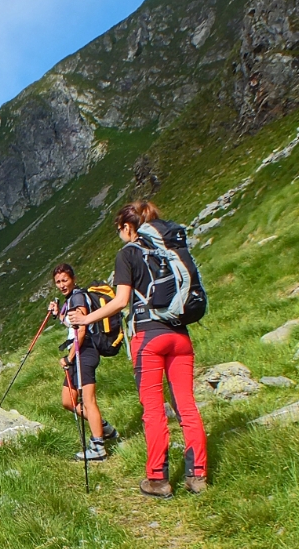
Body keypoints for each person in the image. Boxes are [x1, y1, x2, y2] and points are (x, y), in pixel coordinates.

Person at [68, 201, 208, 498]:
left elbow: (120, 302)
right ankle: (197, 477)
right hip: (180, 336)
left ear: (128, 227)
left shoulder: (128, 254)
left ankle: (158, 479)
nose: (119, 234)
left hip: (149, 339)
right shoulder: (170, 250)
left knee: (154, 410)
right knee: (186, 406)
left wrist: (85, 318)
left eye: (119, 229)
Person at [49, 264, 117, 461]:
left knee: (88, 402)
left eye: (65, 280)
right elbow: (73, 323)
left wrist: (69, 359)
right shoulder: (71, 298)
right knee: (68, 401)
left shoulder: (78, 297)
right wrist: (57, 314)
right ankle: (106, 429)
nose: (62, 285)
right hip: (78, 352)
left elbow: (81, 330)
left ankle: (98, 448)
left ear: (73, 279)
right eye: (58, 282)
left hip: (84, 352)